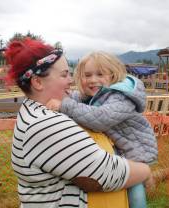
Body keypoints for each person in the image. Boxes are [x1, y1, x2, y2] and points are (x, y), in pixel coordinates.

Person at [5, 38, 153, 208]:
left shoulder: (35, 112)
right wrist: (146, 171)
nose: (70, 80)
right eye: (64, 74)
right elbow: (105, 174)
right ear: (37, 82)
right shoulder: (46, 125)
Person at [46, 51, 158, 208]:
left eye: (100, 74)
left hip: (136, 152)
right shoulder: (95, 95)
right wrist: (62, 95)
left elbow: (101, 119)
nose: (93, 80)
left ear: (112, 76)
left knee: (135, 193)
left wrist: (64, 105)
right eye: (87, 75)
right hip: (119, 150)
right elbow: (78, 99)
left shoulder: (120, 98)